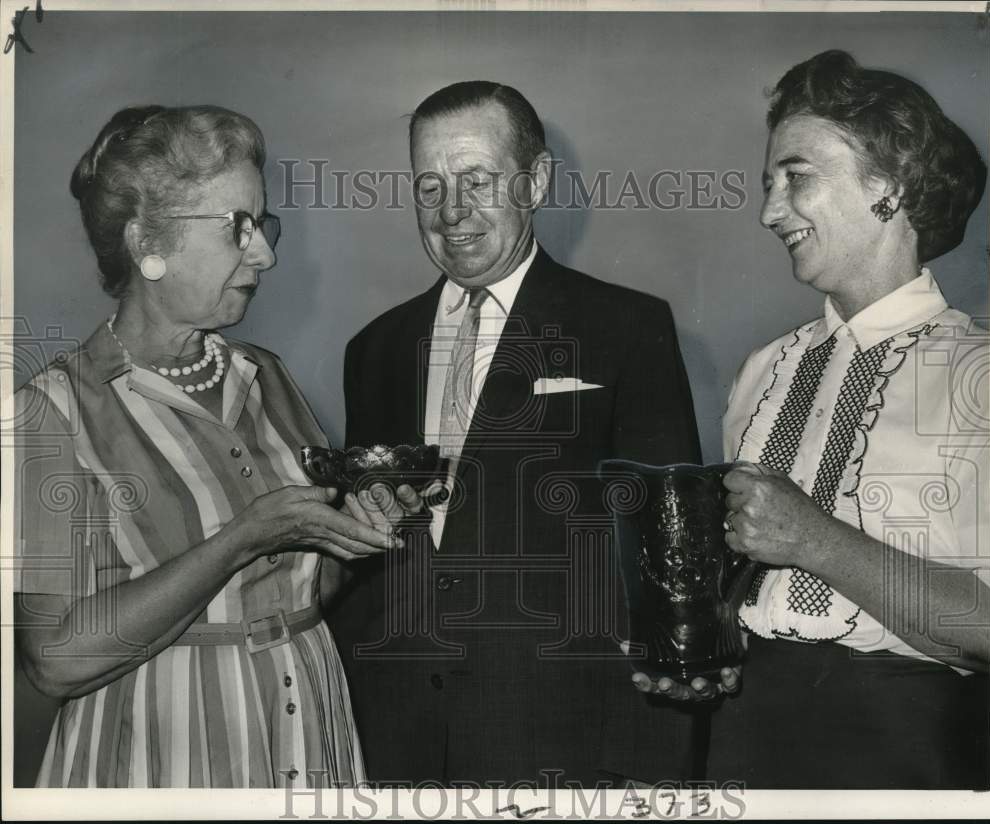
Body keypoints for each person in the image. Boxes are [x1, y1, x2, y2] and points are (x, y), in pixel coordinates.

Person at [13, 105, 406, 788]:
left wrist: (351, 535)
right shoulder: (52, 411)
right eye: (237, 228)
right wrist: (239, 540)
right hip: (163, 758)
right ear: (146, 241)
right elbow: (54, 659)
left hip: (310, 739)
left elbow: (304, 589)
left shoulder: (267, 375)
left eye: (262, 225)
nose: (266, 254)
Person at [636, 50, 990, 789]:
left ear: (888, 184)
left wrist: (813, 539)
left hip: (907, 756)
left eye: (796, 177)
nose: (770, 212)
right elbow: (749, 582)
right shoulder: (763, 370)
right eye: (769, 184)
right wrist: (705, 656)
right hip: (743, 743)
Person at [334, 82, 703, 786]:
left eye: (477, 181)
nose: (451, 211)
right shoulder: (374, 349)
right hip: (398, 737)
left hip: (568, 738)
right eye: (430, 186)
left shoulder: (627, 327)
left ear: (536, 182)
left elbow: (670, 559)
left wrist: (655, 763)